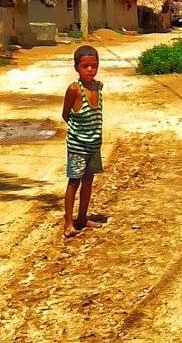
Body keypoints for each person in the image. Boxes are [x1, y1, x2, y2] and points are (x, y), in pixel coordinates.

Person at [61, 44, 104, 238]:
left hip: (94, 145)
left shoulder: (98, 87)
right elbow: (65, 114)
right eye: (85, 66)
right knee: (74, 181)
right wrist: (77, 134)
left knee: (88, 180)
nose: (90, 70)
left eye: (94, 66)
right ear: (76, 67)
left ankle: (82, 218)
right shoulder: (74, 90)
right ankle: (68, 222)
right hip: (78, 146)